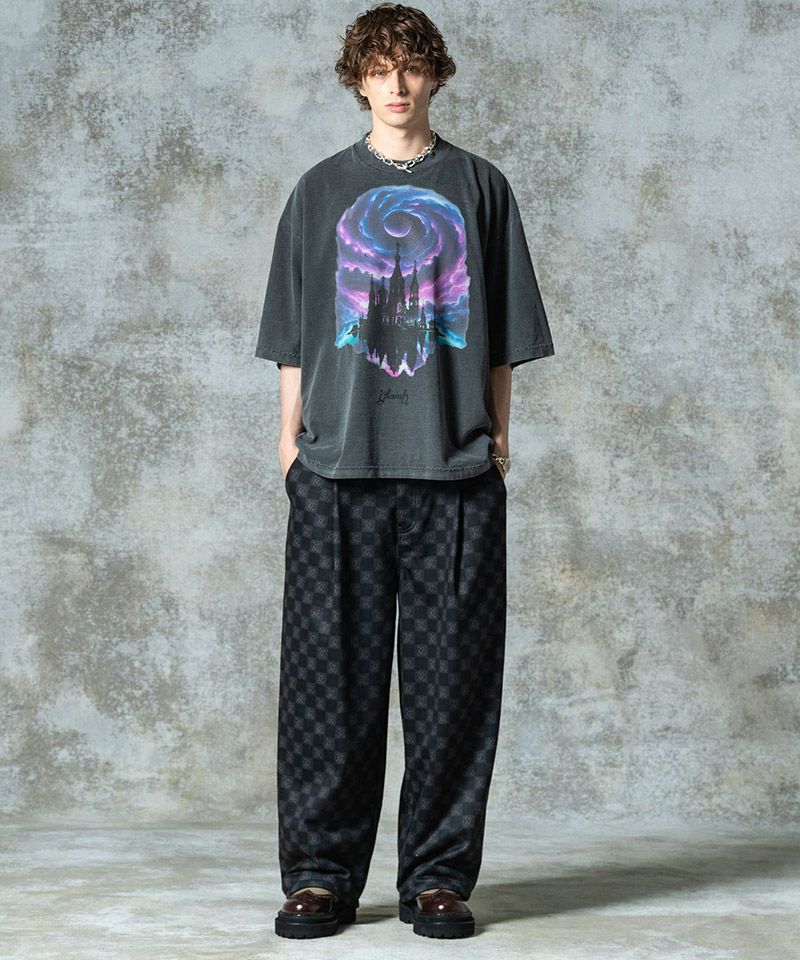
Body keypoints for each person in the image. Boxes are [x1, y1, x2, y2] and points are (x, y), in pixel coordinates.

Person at [255, 2, 555, 940]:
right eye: (379, 67)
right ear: (357, 79)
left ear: (435, 76)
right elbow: (294, 330)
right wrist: (289, 442)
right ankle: (319, 877)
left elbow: (502, 334)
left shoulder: (481, 187)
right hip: (336, 470)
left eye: (412, 66)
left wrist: (497, 436)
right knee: (325, 689)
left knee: (453, 690)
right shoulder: (318, 190)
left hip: (455, 473)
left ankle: (437, 877)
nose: (396, 83)